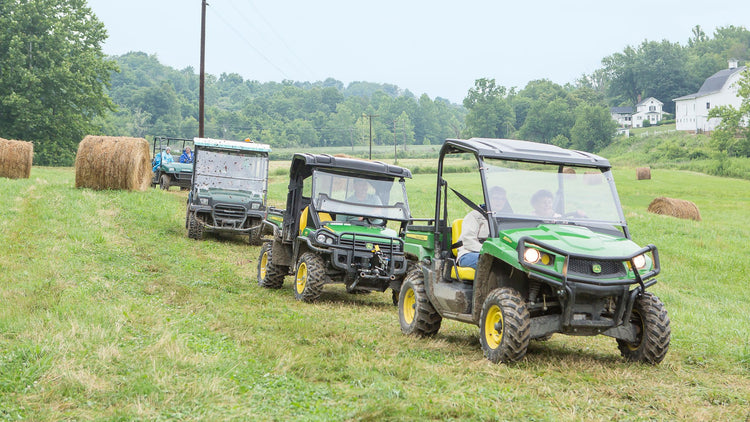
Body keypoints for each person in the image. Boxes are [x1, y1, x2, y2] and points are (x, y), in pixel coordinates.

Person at [456, 186, 510, 270]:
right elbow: (468, 241)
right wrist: (490, 252)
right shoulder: (475, 215)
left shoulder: (505, 218)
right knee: (495, 263)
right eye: (496, 198)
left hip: (495, 255)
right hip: (470, 253)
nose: (499, 202)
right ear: (487, 199)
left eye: (502, 199)